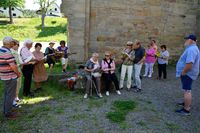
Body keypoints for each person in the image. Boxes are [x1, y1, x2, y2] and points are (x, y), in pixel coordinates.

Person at [175, 34, 200, 115]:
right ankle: (185, 103)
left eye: (187, 39)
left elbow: (190, 63)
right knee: (186, 90)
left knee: (187, 91)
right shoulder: (192, 48)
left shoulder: (192, 49)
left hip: (188, 73)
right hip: (188, 73)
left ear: (191, 40)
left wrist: (184, 72)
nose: (185, 41)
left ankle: (186, 109)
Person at [0, 36, 21, 119]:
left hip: (4, 76)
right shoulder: (7, 52)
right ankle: (8, 113)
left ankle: (6, 110)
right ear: (9, 43)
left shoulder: (1, 50)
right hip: (10, 76)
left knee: (7, 94)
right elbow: (13, 66)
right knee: (10, 95)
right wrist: (18, 73)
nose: (14, 43)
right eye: (12, 42)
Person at [10, 39, 22, 108]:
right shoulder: (11, 52)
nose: (18, 46)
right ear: (13, 45)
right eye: (17, 45)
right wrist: (19, 64)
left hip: (18, 70)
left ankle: (15, 98)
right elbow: (13, 64)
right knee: (14, 86)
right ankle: (13, 102)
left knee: (18, 85)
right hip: (15, 71)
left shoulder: (15, 51)